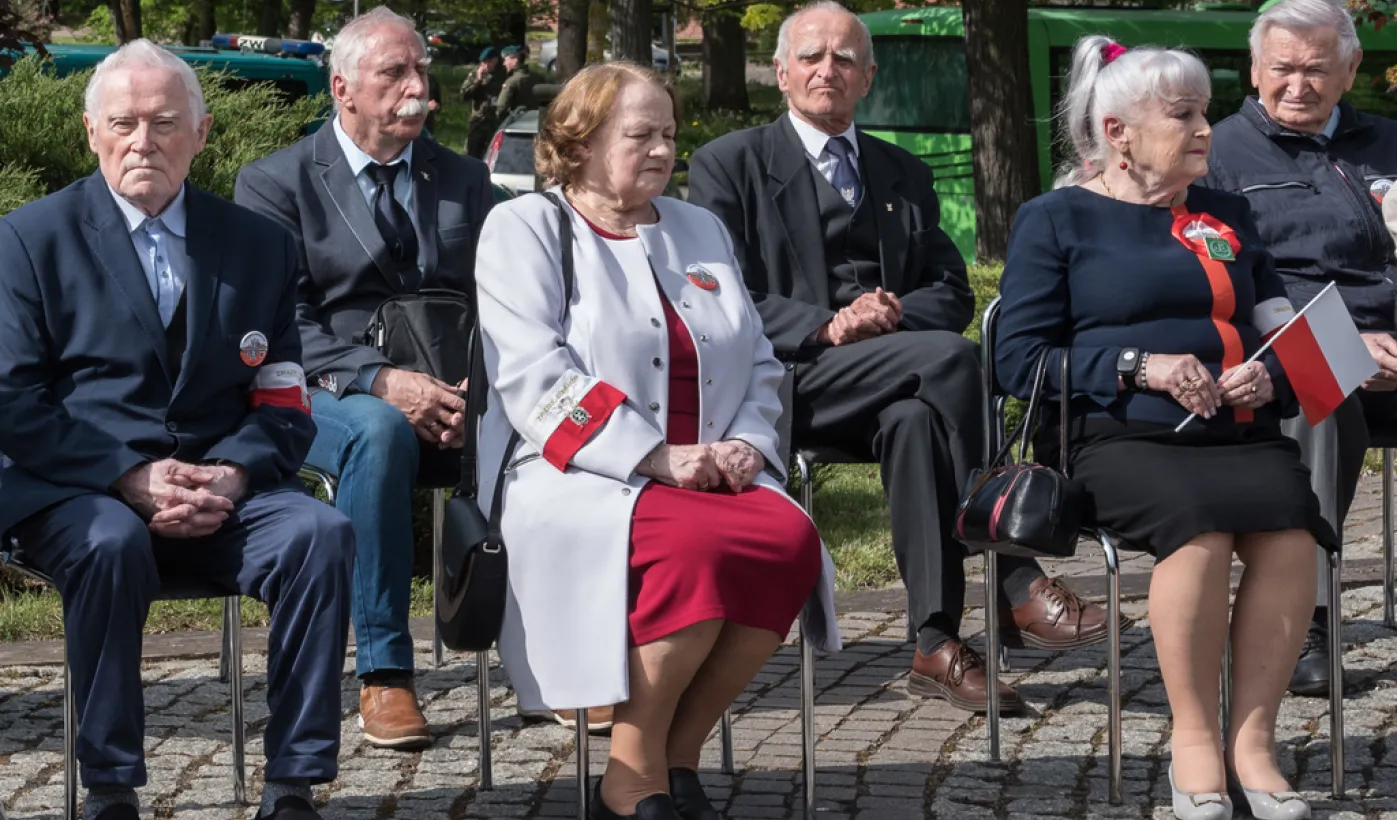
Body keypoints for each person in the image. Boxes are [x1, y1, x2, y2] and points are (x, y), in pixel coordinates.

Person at [686, 0, 1118, 714]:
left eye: (845, 59)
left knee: (917, 418)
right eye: (811, 57)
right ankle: (1013, 571)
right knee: (952, 360)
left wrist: (884, 316)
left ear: (868, 77)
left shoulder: (901, 172)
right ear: (782, 73)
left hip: (896, 377)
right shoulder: (728, 165)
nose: (827, 70)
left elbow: (949, 290)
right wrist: (828, 326)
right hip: (789, 376)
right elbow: (720, 295)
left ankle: (935, 642)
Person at [474, 61, 840, 820]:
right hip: (581, 471)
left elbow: (758, 359)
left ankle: (678, 753)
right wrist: (653, 456)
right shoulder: (526, 227)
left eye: (668, 134)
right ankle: (633, 773)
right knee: (694, 552)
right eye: (639, 135)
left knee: (788, 541)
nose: (662, 150)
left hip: (709, 469)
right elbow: (535, 376)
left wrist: (747, 441)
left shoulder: (698, 227)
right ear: (579, 143)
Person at [0, 40, 354, 820]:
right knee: (109, 543)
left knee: (319, 535)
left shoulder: (259, 246)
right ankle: (110, 786)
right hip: (82, 493)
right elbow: (12, 401)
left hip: (223, 492)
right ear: (91, 133)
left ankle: (293, 783)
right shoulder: (28, 240)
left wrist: (232, 473)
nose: (142, 141)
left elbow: (284, 397)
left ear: (201, 132)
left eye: (164, 122)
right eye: (122, 122)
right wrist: (128, 477)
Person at [998, 35, 1337, 820]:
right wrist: (1135, 366)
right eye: (1182, 114)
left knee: (1291, 535)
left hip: (1237, 432)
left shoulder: (1227, 214)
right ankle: (1193, 740)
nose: (1203, 130)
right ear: (1116, 132)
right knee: (1200, 531)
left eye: (1204, 113)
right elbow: (1017, 361)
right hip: (1117, 435)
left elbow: (1283, 329)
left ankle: (1252, 743)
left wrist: (1272, 373)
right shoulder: (1054, 219)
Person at [234, 5, 501, 750]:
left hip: (456, 389)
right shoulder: (275, 183)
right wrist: (381, 381)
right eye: (395, 73)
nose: (418, 88)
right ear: (343, 88)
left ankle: (554, 659)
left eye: (422, 71)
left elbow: (505, 296)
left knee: (545, 422)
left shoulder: (464, 179)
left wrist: (481, 385)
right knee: (379, 434)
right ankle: (385, 673)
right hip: (323, 392)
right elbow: (278, 321)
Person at [1202, 0, 1397, 698]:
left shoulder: (1389, 143)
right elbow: (1229, 284)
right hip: (1291, 345)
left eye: (1316, 69)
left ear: (1350, 69)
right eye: (1282, 67)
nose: (1297, 85)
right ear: (1254, 69)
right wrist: (1345, 344)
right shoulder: (1216, 156)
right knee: (1317, 391)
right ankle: (1305, 621)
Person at [461, 46, 506, 158]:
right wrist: (478, 80)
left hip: (495, 121)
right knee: (471, 153)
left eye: (489, 62)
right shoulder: (475, 74)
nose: (486, 66)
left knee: (493, 154)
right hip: (479, 119)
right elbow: (464, 95)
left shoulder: (503, 74)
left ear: (496, 60)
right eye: (483, 62)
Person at [495, 44, 539, 116]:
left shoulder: (511, 82)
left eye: (505, 60)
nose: (504, 64)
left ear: (514, 61)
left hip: (518, 120)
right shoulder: (538, 77)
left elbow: (501, 108)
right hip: (536, 119)